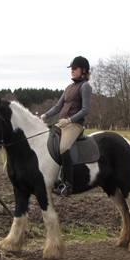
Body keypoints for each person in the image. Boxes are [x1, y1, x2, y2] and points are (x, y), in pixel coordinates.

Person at [40, 55, 92, 195]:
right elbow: (58, 107)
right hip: (62, 123)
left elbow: (86, 109)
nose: (72, 71)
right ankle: (53, 176)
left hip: (75, 125)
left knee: (63, 147)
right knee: (49, 139)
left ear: (84, 70)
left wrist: (70, 120)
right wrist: (45, 115)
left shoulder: (85, 86)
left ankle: (68, 184)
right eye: (72, 69)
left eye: (75, 68)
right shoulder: (69, 87)